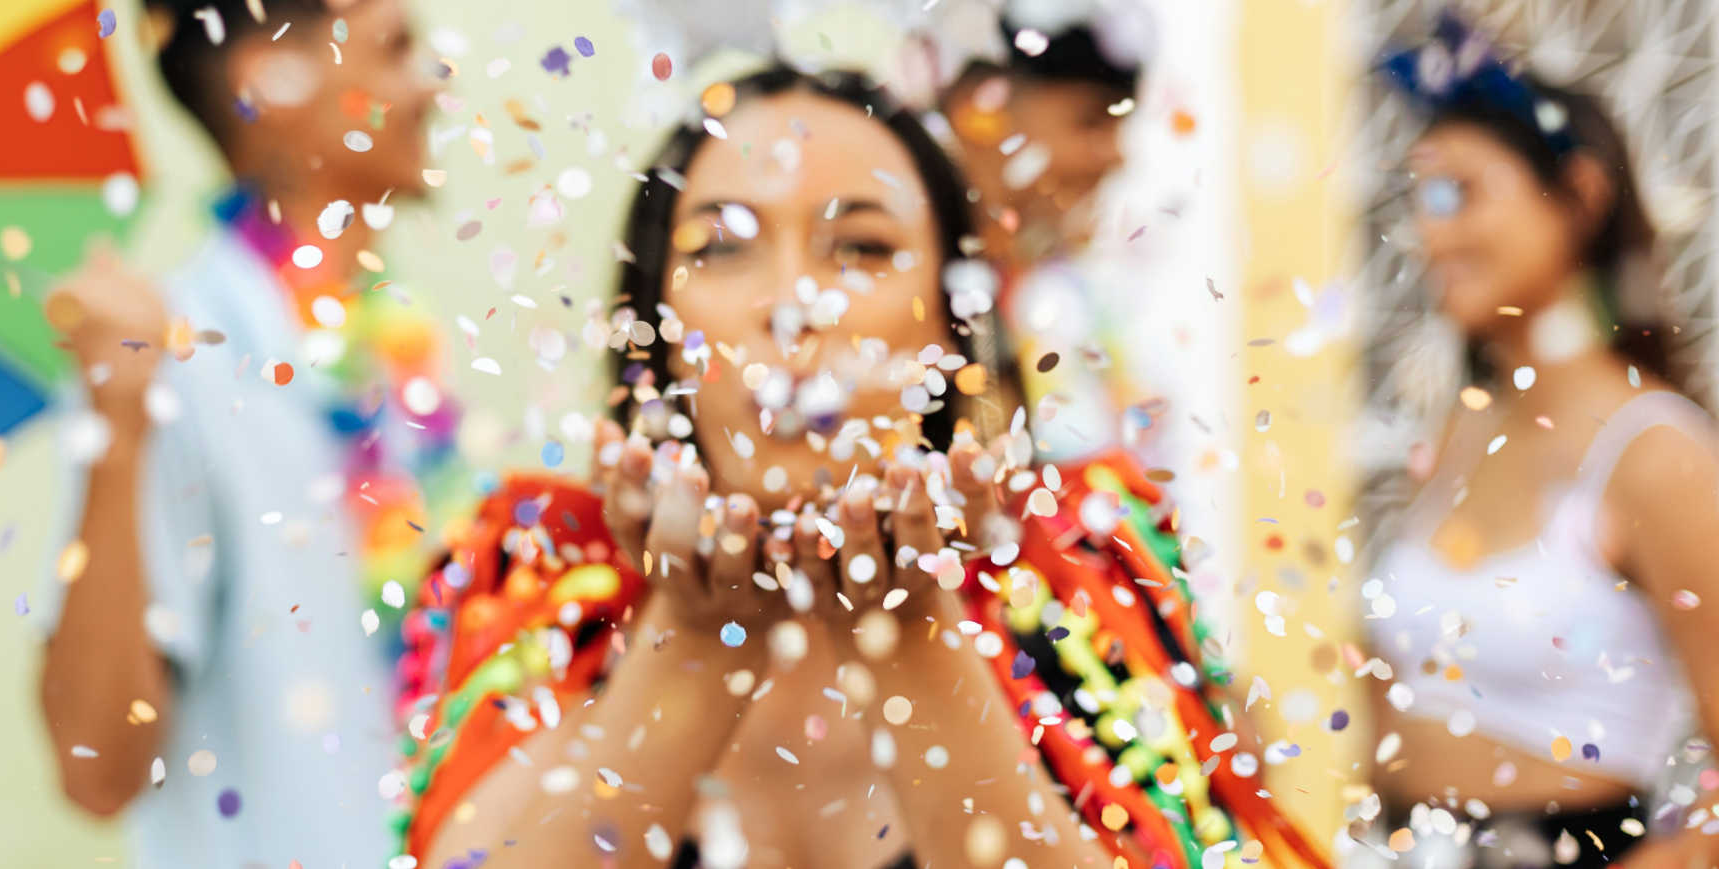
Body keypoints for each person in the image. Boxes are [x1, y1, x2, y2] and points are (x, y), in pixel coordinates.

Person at [386, 67, 1325, 869]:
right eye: (723, 245)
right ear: (655, 334)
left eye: (862, 248)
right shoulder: (541, 574)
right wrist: (700, 635)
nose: (792, 303)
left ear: (949, 330)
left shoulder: (1084, 573)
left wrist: (909, 629)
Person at [35, 0, 447, 865]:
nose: (433, 83)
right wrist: (119, 426)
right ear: (271, 79)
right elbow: (94, 770)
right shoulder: (167, 363)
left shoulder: (401, 356)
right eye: (398, 48)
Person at [1359, 15, 1719, 868]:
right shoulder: (1464, 424)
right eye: (1421, 200)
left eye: (1461, 194)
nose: (1430, 233)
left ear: (1580, 195)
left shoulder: (1657, 454)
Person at [919, 1, 1170, 464]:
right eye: (1091, 121)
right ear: (982, 109)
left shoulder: (1070, 295)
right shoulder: (909, 298)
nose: (1117, 157)